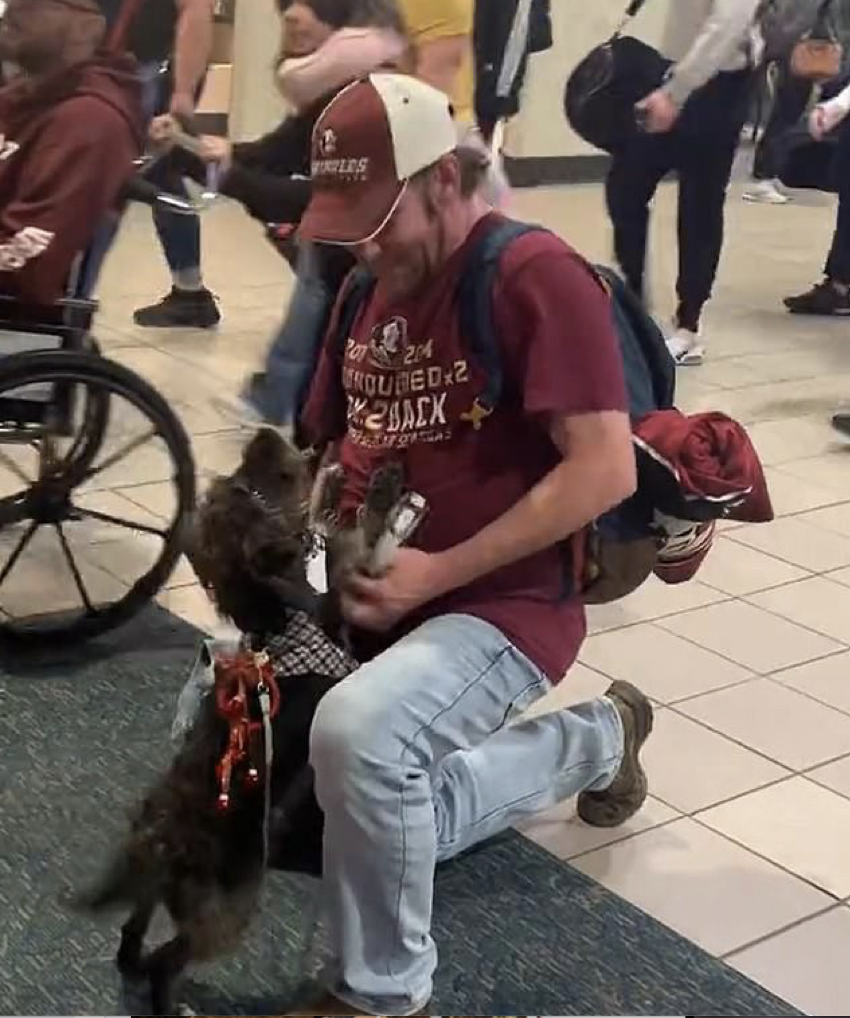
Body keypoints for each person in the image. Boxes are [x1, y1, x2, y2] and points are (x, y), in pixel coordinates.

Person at [288, 72, 654, 1016]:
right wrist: (311, 571)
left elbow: (605, 469)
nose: (364, 247)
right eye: (348, 224)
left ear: (445, 179)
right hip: (381, 583)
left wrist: (432, 576)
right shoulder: (366, 288)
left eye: (379, 218)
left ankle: (380, 995)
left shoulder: (531, 273)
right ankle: (601, 737)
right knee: (254, 733)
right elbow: (333, 452)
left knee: (361, 739)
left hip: (506, 602)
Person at [606, 0, 761, 367]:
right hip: (668, 71)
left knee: (700, 203)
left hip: (719, 83)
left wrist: (677, 92)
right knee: (626, 186)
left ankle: (688, 325)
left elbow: (729, 23)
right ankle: (633, 302)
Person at [0, 0, 143, 303]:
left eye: (37, 5)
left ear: (86, 28)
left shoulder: (88, 121)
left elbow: (25, 262)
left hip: (16, 308)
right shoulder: (19, 97)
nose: (15, 11)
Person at [91, 0, 218, 328]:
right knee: (160, 177)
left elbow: (196, 7)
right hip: (116, 67)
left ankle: (69, 302)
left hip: (139, 68)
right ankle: (190, 292)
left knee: (108, 181)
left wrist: (183, 93)